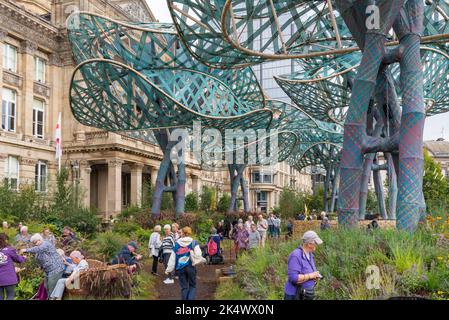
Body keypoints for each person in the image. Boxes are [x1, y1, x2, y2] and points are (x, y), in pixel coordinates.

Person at [166, 227, 203, 300]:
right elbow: (198, 254)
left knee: (184, 287)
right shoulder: (194, 242)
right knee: (192, 286)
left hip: (180, 268)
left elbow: (172, 258)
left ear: (182, 233)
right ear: (189, 233)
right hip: (191, 267)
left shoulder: (176, 244)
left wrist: (168, 269)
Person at [284, 231, 323, 300]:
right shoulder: (296, 255)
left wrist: (315, 276)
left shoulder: (309, 254)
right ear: (309, 244)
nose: (317, 245)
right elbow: (293, 278)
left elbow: (307, 272)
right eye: (316, 243)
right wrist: (311, 276)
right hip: (294, 295)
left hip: (305, 294)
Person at [0, 233, 26, 300]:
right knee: (10, 296)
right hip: (9, 278)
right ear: (5, 240)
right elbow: (18, 259)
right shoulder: (9, 250)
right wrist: (23, 257)